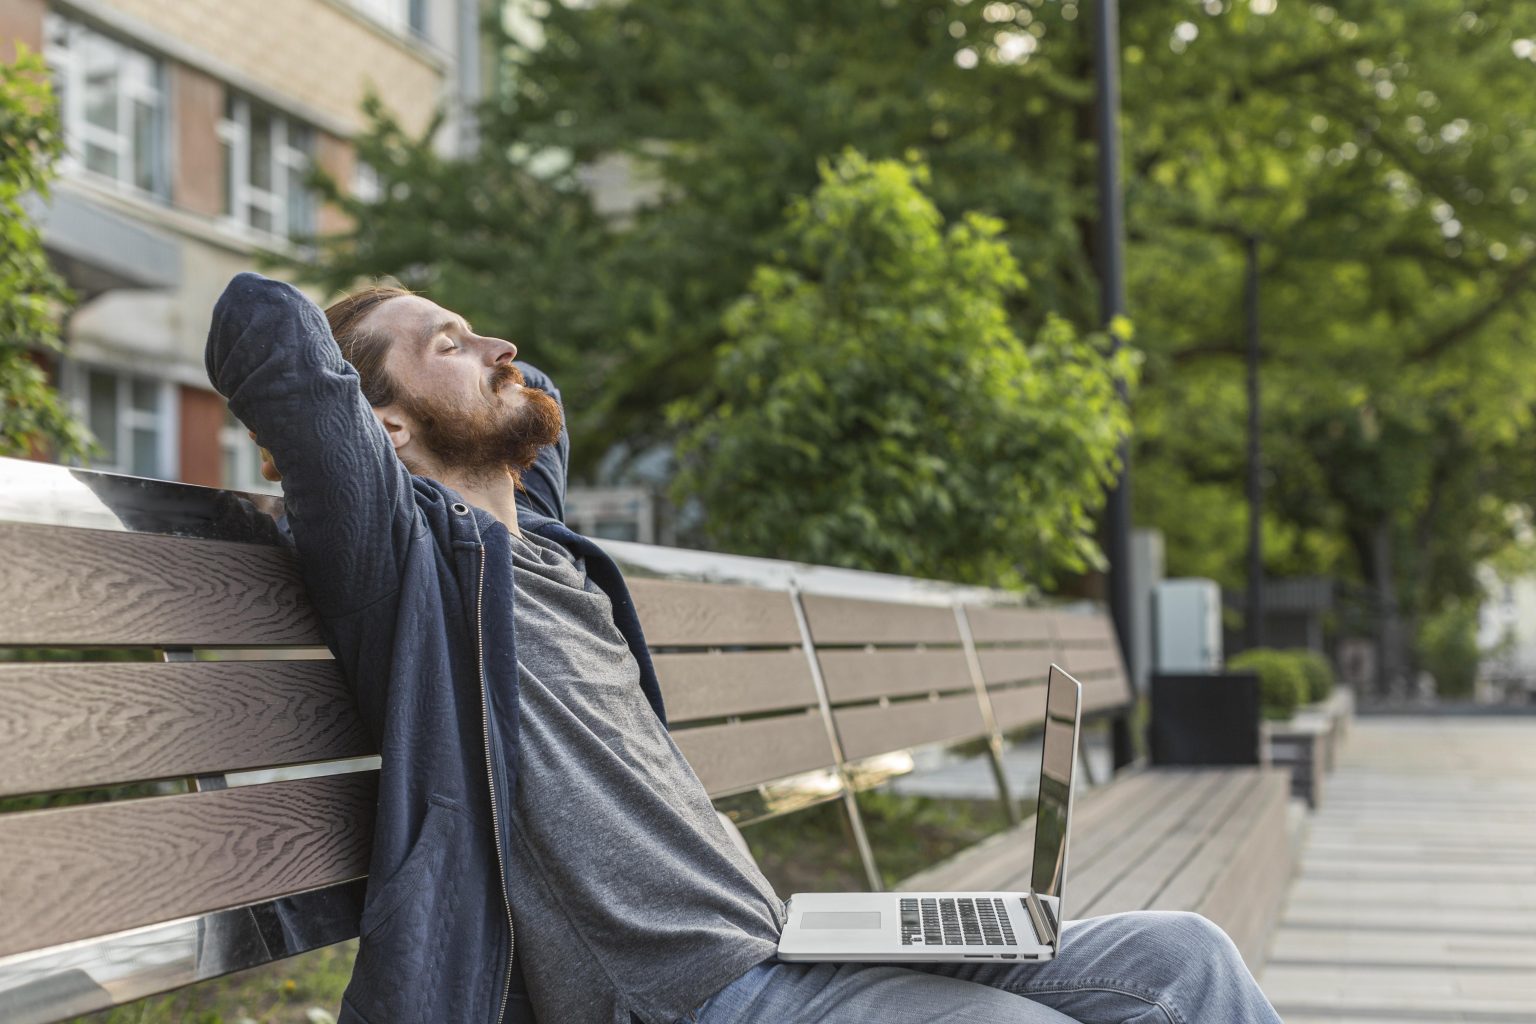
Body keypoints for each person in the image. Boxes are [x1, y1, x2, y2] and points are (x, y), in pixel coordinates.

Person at [206, 272, 1284, 1024]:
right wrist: (386, 380)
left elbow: (548, 412)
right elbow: (263, 331)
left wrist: (459, 366)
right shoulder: (405, 567)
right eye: (452, 344)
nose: (503, 350)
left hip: (788, 941)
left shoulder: (549, 551)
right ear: (380, 428)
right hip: (693, 997)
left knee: (1182, 959)